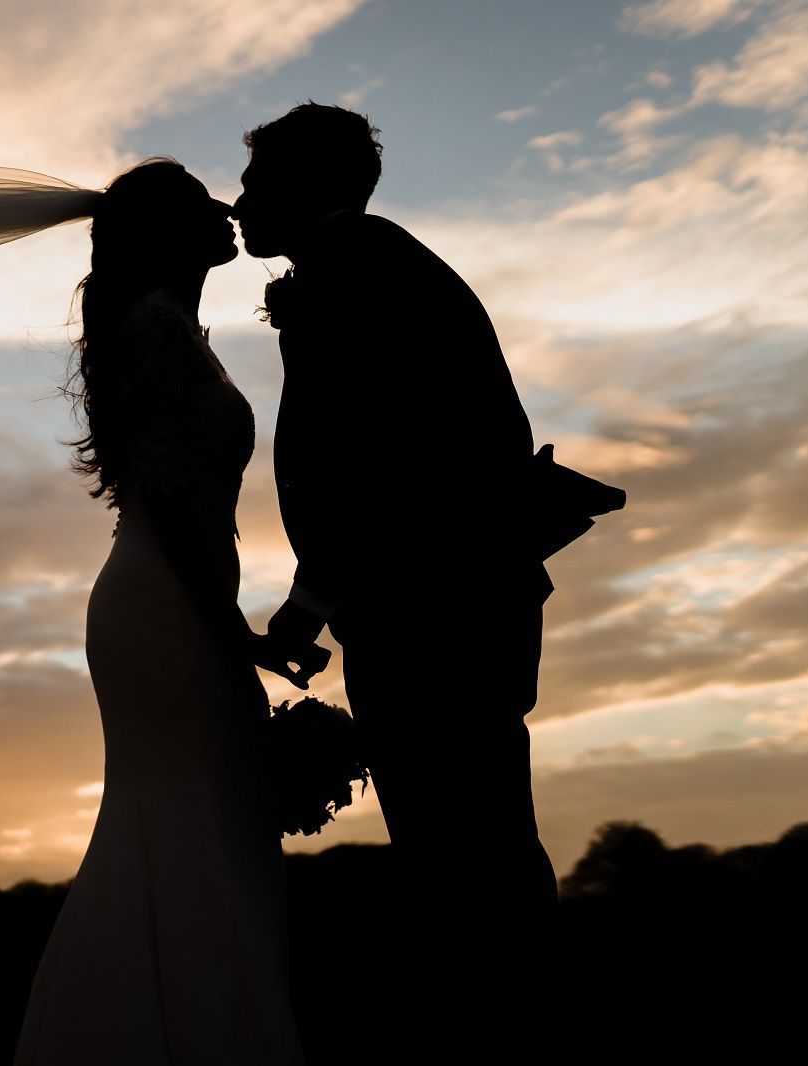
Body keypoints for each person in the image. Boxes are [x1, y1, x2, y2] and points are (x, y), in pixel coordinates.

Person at [231, 103, 562, 996]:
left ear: (300, 179)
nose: (237, 203)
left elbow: (377, 466)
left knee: (467, 858)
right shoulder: (375, 265)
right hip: (448, 603)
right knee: (474, 848)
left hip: (435, 614)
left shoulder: (357, 271)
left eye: (255, 182)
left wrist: (309, 604)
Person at [12, 159, 310, 1065]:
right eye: (200, 205)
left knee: (196, 818)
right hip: (167, 605)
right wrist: (235, 633)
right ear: (168, 235)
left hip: (169, 596)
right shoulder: (154, 332)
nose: (226, 210)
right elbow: (178, 505)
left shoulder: (171, 330)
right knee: (187, 819)